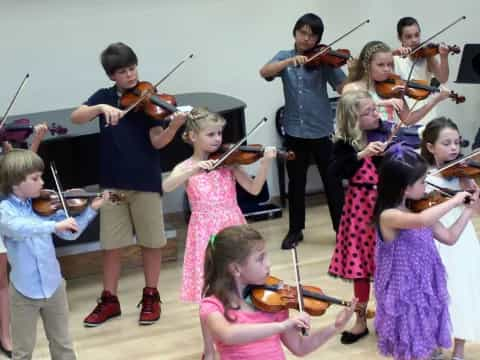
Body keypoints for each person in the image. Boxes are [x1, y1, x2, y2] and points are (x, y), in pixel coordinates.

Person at [70, 42, 187, 327]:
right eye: (123, 72)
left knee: (151, 242)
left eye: (132, 68)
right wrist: (99, 108)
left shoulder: (150, 100)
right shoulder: (105, 97)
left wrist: (173, 125)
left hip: (145, 180)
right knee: (111, 244)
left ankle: (151, 296)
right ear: (112, 76)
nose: (131, 76)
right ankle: (109, 300)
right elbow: (76, 118)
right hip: (112, 183)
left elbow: (157, 141)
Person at [162, 108, 276, 359]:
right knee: (209, 292)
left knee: (239, 285)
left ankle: (241, 335)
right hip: (205, 233)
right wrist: (193, 170)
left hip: (233, 227)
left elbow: (255, 190)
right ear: (192, 136)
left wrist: (266, 163)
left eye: (219, 133)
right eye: (211, 134)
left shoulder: (229, 162)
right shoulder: (186, 166)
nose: (217, 139)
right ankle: (209, 348)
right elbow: (166, 186)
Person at [373, 144, 479, 360]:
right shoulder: (389, 216)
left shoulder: (418, 206)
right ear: (404, 188)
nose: (426, 186)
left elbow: (449, 237)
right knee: (410, 347)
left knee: (426, 343)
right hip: (404, 292)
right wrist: (455, 199)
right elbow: (421, 221)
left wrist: (468, 210)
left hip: (426, 287)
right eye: (422, 182)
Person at [0, 149, 106, 359]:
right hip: (24, 294)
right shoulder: (5, 211)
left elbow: (70, 235)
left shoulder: (45, 206)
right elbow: (21, 228)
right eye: (35, 178)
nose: (42, 183)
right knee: (22, 351)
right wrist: (53, 226)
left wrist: (91, 210)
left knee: (63, 345)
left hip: (54, 286)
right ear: (16, 182)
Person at [200, 224, 357, 359]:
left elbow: (300, 348)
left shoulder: (272, 303)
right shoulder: (213, 306)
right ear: (236, 268)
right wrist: (281, 326)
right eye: (260, 258)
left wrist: (335, 327)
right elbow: (228, 334)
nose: (268, 264)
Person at [259, 13, 346, 249]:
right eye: (303, 32)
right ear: (295, 33)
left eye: (312, 34)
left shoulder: (323, 60)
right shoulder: (284, 57)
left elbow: (343, 87)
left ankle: (342, 231)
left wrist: (354, 73)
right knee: (296, 183)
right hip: (295, 132)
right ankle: (295, 230)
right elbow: (264, 71)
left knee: (333, 182)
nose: (307, 39)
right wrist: (289, 63)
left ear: (318, 38)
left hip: (321, 131)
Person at [327, 90, 385, 344]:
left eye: (375, 109)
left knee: (388, 265)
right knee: (360, 268)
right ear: (353, 119)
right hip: (360, 209)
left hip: (385, 207)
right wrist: (362, 154)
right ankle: (360, 321)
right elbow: (334, 172)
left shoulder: (382, 133)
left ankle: (387, 317)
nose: (376, 115)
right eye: (368, 112)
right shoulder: (344, 144)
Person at [421, 117, 480, 360]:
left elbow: (477, 211)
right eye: (446, 143)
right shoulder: (422, 175)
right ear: (430, 147)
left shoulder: (464, 173)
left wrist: (473, 190)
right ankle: (435, 342)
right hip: (434, 239)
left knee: (461, 291)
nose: (454, 148)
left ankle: (459, 349)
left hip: (462, 238)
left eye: (457, 142)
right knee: (435, 292)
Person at [0, 123, 48, 358]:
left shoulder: (5, 146)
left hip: (7, 215)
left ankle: (5, 335)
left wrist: (37, 139)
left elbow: (22, 171)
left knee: (2, 279)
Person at [344, 40, 449, 133]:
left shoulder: (392, 88)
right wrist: (383, 103)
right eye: (380, 65)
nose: (387, 69)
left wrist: (434, 100)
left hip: (388, 142)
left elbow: (408, 120)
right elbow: (352, 114)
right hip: (363, 144)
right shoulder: (353, 88)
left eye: (389, 64)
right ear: (366, 65)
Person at [393, 17, 451, 126]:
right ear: (399, 38)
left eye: (417, 35)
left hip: (428, 116)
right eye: (408, 37)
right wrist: (393, 53)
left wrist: (444, 57)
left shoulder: (427, 56)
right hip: (405, 117)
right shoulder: (393, 59)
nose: (414, 40)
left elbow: (443, 78)